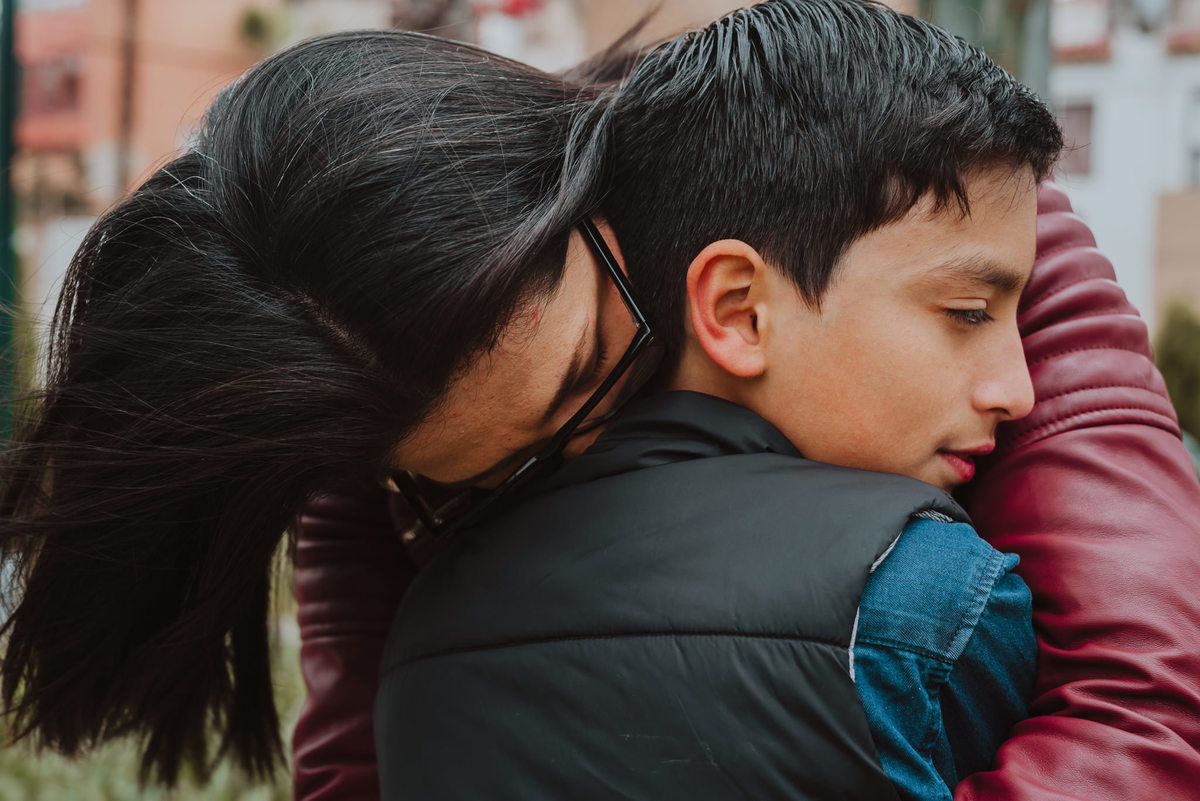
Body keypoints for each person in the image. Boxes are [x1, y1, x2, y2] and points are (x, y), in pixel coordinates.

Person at [294, 13, 1200, 801]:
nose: (1021, 387)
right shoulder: (924, 600)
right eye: (513, 473)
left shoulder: (410, 666)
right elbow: (1147, 706)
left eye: (587, 372)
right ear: (734, 308)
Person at [0, 29, 630, 785]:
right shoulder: (378, 503)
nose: (604, 454)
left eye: (590, 365)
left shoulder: (755, 169)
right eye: (510, 473)